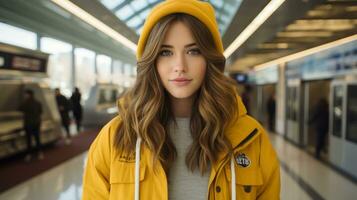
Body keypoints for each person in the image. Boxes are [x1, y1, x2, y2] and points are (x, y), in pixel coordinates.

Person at [82, 1, 280, 199]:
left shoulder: (249, 139)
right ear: (152, 61)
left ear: (210, 59)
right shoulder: (114, 138)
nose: (180, 66)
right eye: (166, 52)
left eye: (193, 51)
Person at [19, 89, 43, 161]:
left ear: (28, 95)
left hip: (28, 124)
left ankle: (29, 154)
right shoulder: (38, 103)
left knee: (29, 140)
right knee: (37, 138)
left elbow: (19, 109)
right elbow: (40, 112)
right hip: (36, 123)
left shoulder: (25, 103)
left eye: (26, 94)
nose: (25, 96)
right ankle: (39, 153)